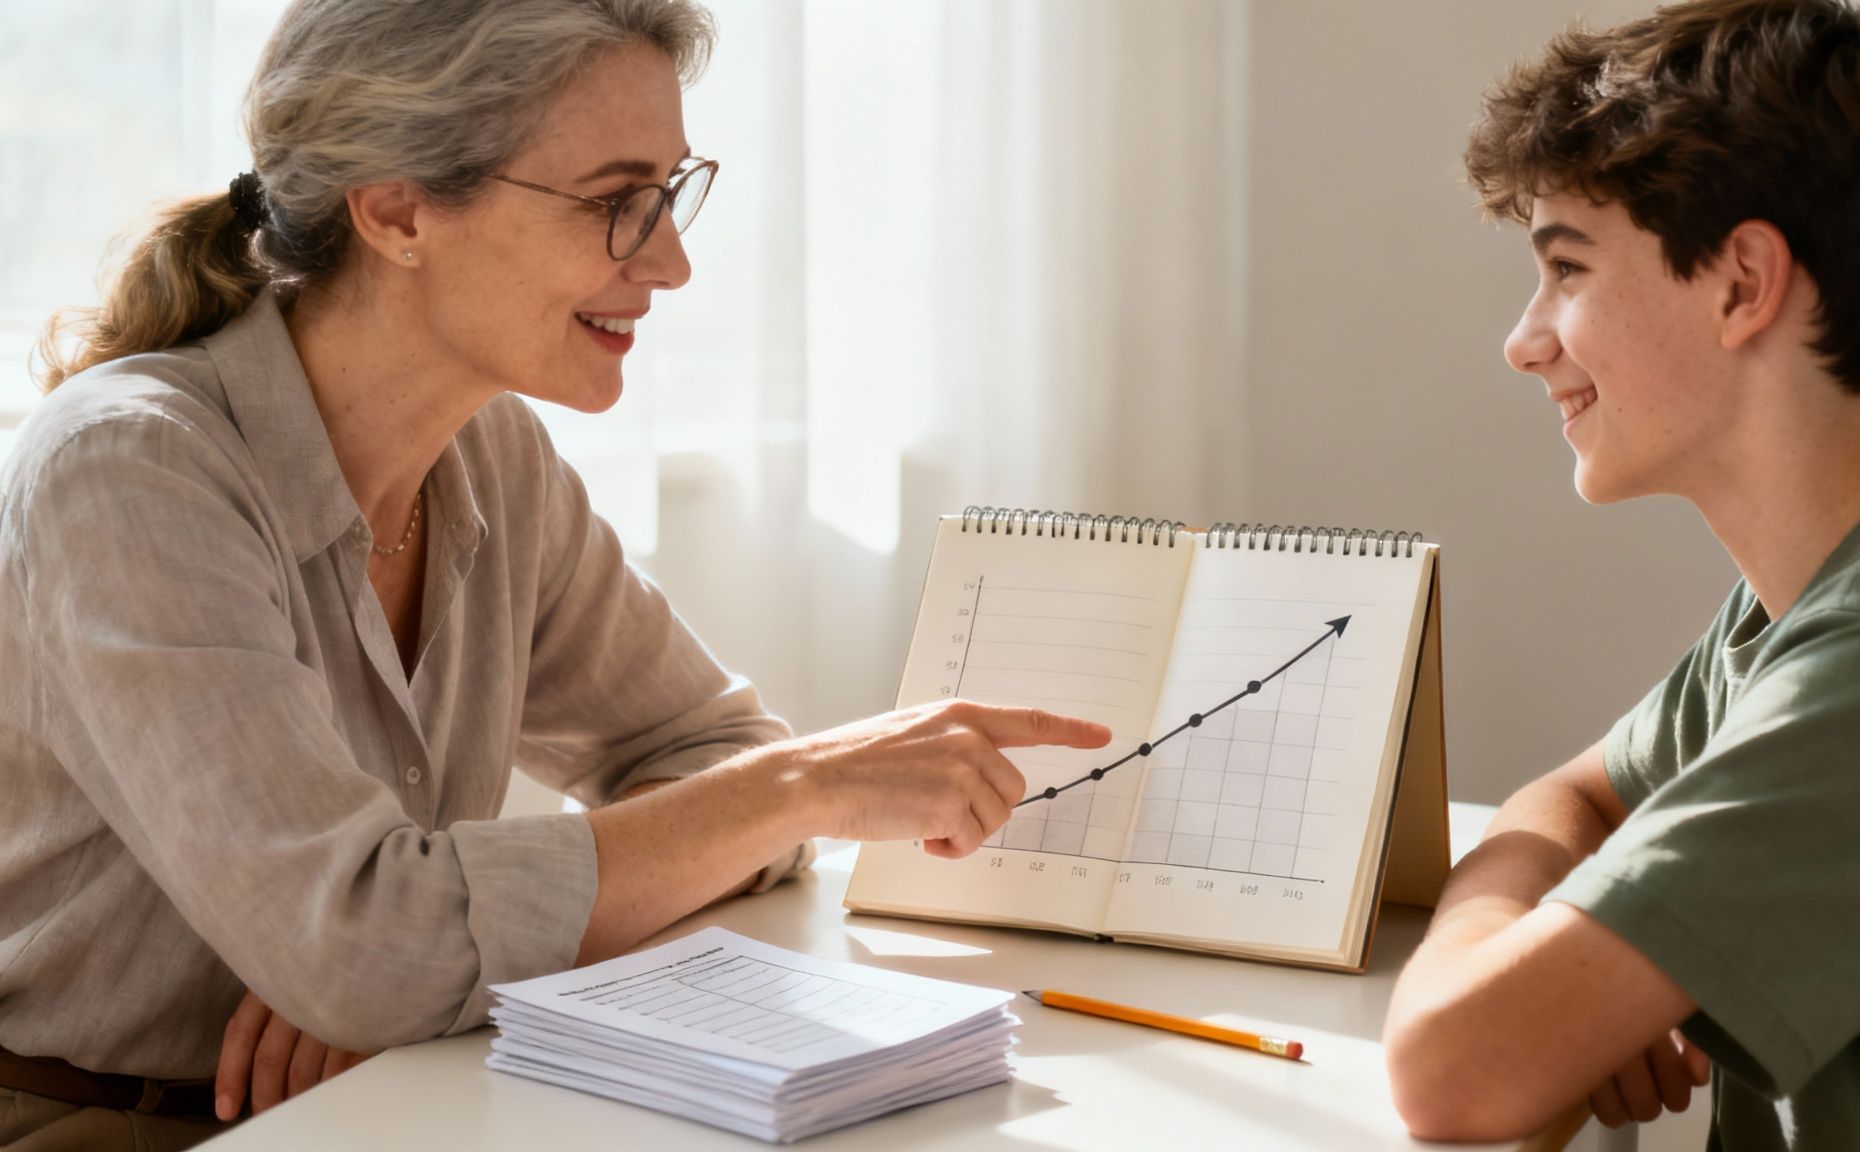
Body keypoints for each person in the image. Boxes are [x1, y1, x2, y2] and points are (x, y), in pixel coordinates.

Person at [0, 1, 1107, 1146]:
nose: (670, 262)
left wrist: (420, 956)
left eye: (670, 194)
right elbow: (744, 795)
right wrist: (804, 788)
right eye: (617, 202)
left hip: (393, 1094)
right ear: (395, 211)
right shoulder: (130, 472)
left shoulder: (490, 455)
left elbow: (707, 754)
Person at [1383, 0, 1860, 1148]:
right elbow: (1578, 795)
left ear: (1741, 282)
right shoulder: (1855, 580)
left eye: (1566, 268)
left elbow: (1451, 1067)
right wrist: (1590, 944)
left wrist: (1516, 946)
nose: (1523, 337)